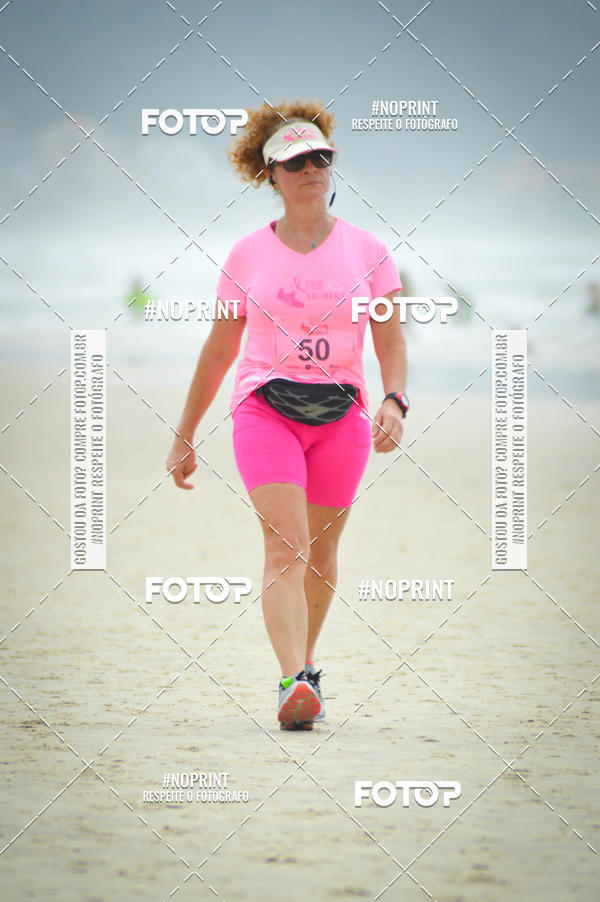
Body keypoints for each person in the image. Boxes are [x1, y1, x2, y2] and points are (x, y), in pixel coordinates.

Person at [166, 99, 408, 730]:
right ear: (270, 174)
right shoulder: (246, 255)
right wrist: (185, 433)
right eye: (295, 161)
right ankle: (293, 681)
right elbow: (219, 350)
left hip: (342, 417)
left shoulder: (370, 250)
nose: (311, 169)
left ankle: (307, 670)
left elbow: (390, 342)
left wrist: (394, 399)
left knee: (321, 556)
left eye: (320, 157)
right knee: (285, 547)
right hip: (264, 409)